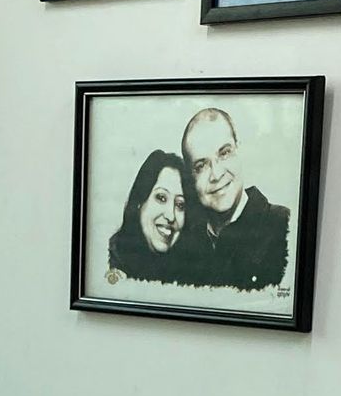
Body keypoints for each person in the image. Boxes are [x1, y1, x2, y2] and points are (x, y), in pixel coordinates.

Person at [172, 107, 290, 290]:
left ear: (239, 150)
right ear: (190, 177)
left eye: (224, 153)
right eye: (201, 166)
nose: (216, 174)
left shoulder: (285, 227)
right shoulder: (181, 243)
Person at [105, 150, 190, 283]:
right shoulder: (110, 262)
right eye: (161, 198)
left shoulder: (185, 276)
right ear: (140, 201)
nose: (171, 216)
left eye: (180, 205)